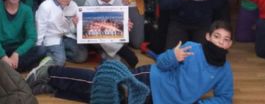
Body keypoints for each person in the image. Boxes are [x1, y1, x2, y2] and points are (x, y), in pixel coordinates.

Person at [27, 20, 234, 103]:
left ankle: (52, 88)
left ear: (230, 44)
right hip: (149, 80)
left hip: (156, 101)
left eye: (225, 40)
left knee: (107, 100)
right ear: (208, 37)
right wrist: (173, 56)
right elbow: (162, 63)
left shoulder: (224, 70)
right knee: (102, 84)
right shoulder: (191, 48)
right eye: (217, 36)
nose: (220, 42)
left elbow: (225, 98)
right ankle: (50, 73)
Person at [83, 0, 138, 68]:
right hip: (98, 41)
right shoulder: (89, 2)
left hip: (116, 38)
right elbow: (89, 31)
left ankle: (106, 58)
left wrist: (126, 24)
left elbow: (123, 23)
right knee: (95, 29)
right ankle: (120, 51)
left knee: (120, 62)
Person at [35, 0, 88, 66]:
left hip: (67, 37)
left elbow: (72, 30)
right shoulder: (46, 6)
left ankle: (58, 53)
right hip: (52, 38)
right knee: (59, 62)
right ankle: (51, 54)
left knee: (82, 56)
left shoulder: (74, 6)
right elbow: (40, 27)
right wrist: (39, 46)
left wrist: (76, 25)